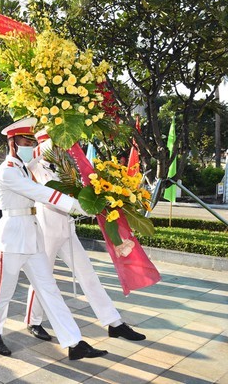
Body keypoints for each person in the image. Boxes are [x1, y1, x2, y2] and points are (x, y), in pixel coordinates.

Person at [0, 117, 107, 360]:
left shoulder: (23, 169)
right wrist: (80, 206)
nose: (31, 146)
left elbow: (47, 151)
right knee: (3, 291)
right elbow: (42, 193)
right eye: (25, 141)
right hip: (12, 238)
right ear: (12, 144)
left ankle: (73, 342)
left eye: (32, 141)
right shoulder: (8, 173)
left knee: (50, 289)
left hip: (33, 236)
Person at [23, 129, 146, 342]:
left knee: (88, 274)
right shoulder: (39, 154)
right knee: (43, 274)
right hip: (47, 224)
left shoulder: (66, 156)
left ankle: (113, 322)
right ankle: (33, 320)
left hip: (67, 225)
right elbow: (37, 171)